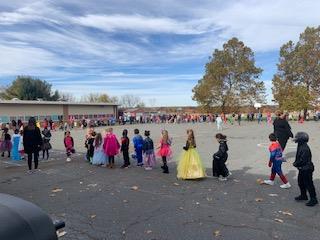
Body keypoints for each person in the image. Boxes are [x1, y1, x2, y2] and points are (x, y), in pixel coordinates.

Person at [293, 132, 318, 207]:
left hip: (307, 169)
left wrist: (295, 164)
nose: (296, 140)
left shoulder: (304, 148)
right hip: (302, 168)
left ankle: (314, 199)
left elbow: (302, 160)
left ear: (301, 140)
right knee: (300, 182)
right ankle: (304, 195)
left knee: (308, 184)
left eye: (297, 138)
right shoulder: (300, 145)